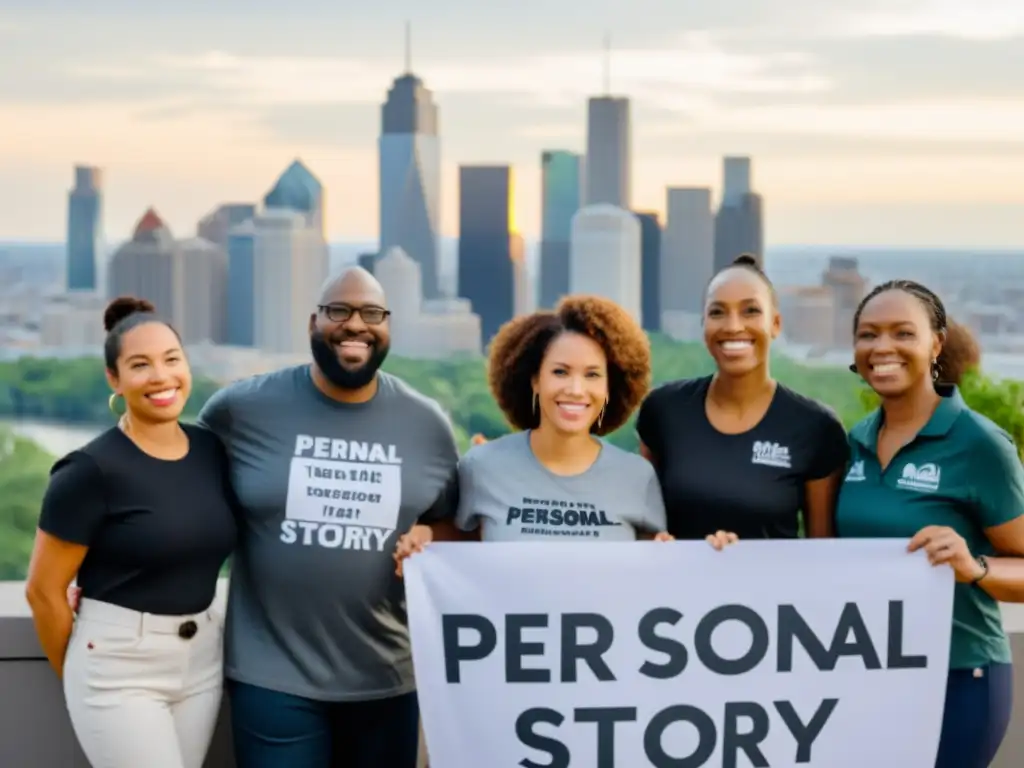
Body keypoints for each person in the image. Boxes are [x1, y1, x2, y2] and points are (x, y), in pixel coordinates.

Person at [195, 267, 458, 768]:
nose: (356, 324)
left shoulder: (427, 425)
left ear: (388, 327)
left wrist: (428, 532)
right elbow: (180, 491)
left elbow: (456, 527)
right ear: (313, 322)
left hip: (386, 677)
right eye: (339, 310)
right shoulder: (240, 409)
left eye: (372, 313)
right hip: (272, 676)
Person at [24, 297, 238, 768]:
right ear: (114, 380)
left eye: (171, 359)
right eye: (140, 365)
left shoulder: (210, 450)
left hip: (202, 658)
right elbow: (43, 591)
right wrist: (82, 674)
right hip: (118, 669)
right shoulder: (89, 470)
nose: (161, 377)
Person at [394, 295, 736, 568]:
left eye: (592, 375)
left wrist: (700, 556)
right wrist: (425, 536)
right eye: (560, 372)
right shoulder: (481, 466)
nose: (575, 389)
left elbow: (654, 568)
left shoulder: (636, 476)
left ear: (609, 389)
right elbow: (459, 541)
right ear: (534, 380)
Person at [835, 280, 1024, 768]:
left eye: (903, 333)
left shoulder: (980, 444)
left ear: (935, 343)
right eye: (868, 334)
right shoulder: (854, 440)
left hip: (961, 678)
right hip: (872, 674)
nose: (883, 348)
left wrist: (975, 566)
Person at [636, 254, 849, 541]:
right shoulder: (663, 409)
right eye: (717, 312)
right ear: (704, 327)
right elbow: (644, 526)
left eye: (750, 311)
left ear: (775, 324)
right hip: (679, 585)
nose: (733, 326)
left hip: (771, 586)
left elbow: (822, 551)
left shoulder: (816, 426)